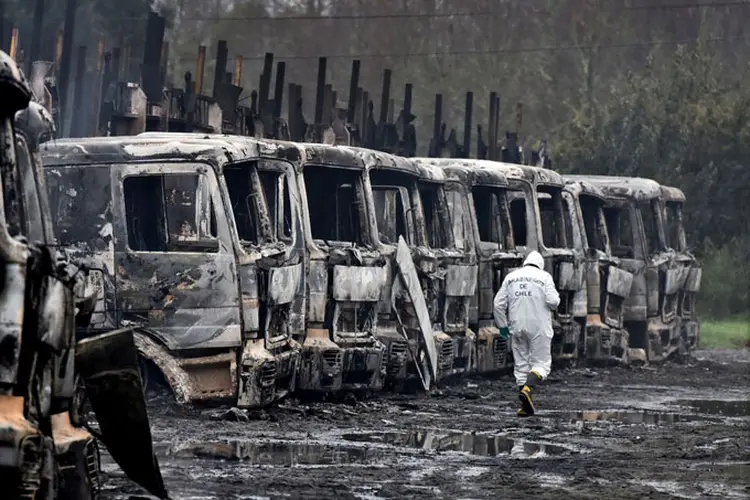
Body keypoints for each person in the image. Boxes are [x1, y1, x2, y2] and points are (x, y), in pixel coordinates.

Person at [493, 250, 560, 417]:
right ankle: (528, 389)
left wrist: (502, 326)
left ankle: (525, 406)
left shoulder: (511, 277)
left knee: (521, 366)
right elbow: (553, 302)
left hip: (516, 326)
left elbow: (498, 304)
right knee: (541, 364)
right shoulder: (544, 277)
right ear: (540, 264)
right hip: (538, 327)